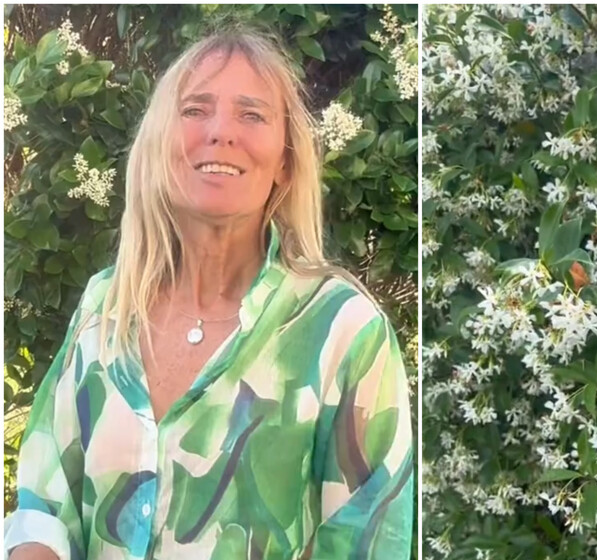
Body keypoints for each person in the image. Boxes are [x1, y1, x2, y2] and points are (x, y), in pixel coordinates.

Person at [4, 29, 414, 560]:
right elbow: (44, 500)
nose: (220, 132)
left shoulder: (344, 331)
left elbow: (371, 540)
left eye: (252, 115)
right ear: (161, 142)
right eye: (195, 110)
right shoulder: (106, 305)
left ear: (285, 160)